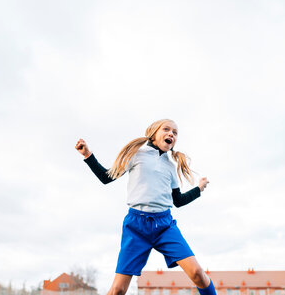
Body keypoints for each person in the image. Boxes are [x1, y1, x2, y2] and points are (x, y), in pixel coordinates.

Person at [75, 119, 217, 295]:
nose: (171, 134)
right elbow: (106, 178)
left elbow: (178, 201)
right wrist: (88, 155)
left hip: (164, 225)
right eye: (166, 129)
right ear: (153, 132)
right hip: (136, 227)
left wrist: (199, 189)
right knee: (118, 290)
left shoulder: (170, 167)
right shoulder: (136, 155)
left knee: (197, 274)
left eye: (175, 132)